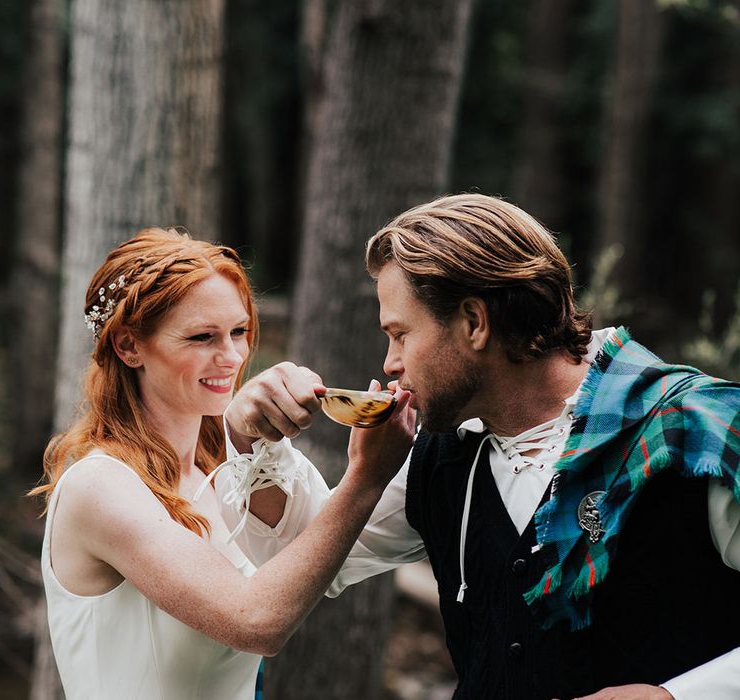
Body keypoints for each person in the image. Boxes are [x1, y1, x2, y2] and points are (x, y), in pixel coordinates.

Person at [224, 194, 740, 700]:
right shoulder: (439, 456)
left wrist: (676, 696)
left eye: (400, 334)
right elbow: (305, 555)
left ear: (474, 323)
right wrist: (252, 440)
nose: (390, 364)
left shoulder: (691, 430)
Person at [29, 228, 415, 699]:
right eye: (201, 337)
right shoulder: (100, 485)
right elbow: (255, 621)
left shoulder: (224, 477)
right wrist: (364, 477)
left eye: (239, 331)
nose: (231, 357)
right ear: (129, 347)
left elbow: (354, 543)